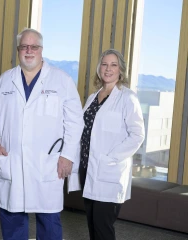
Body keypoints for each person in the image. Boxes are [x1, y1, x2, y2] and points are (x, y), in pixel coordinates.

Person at [0, 28, 84, 240]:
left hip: (47, 164)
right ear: (18, 50)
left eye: (34, 47)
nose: (29, 51)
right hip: (12, 162)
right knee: (12, 219)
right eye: (24, 47)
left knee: (49, 222)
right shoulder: (4, 81)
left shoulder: (61, 80)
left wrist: (67, 156)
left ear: (41, 50)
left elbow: (75, 123)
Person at [79, 49, 145, 240]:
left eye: (113, 65)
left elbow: (137, 135)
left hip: (109, 171)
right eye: (104, 64)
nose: (108, 69)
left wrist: (111, 158)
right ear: (99, 68)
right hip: (87, 168)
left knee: (103, 227)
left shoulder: (128, 98)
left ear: (121, 70)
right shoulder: (93, 97)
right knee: (92, 225)